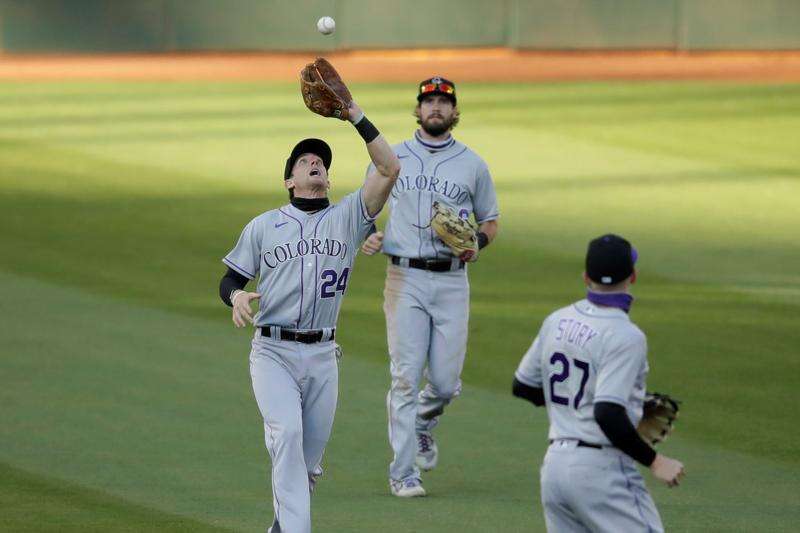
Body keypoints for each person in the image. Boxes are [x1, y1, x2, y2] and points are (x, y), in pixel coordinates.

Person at [218, 94, 400, 532]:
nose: (315, 161)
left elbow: (389, 169)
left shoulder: (350, 217)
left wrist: (353, 114)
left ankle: (280, 527)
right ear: (290, 180)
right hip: (273, 352)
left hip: (323, 356)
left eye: (320, 159)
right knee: (288, 437)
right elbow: (229, 280)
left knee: (307, 466)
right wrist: (236, 298)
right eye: (305, 160)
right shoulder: (263, 225)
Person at [360, 77, 499, 497]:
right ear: (418, 109)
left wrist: (478, 242)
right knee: (404, 377)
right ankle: (403, 474)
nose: (435, 107)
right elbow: (364, 207)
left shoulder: (472, 164)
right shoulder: (393, 157)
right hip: (404, 279)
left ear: (454, 111)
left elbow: (490, 221)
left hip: (453, 281)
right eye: (429, 101)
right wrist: (368, 233)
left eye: (443, 101)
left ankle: (425, 419)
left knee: (445, 381)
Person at [512, 234, 685, 533]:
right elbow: (607, 413)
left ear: (585, 277)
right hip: (602, 473)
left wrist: (578, 402)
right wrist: (655, 461)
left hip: (554, 469)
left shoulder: (558, 319)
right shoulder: (626, 335)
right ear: (633, 276)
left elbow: (523, 386)